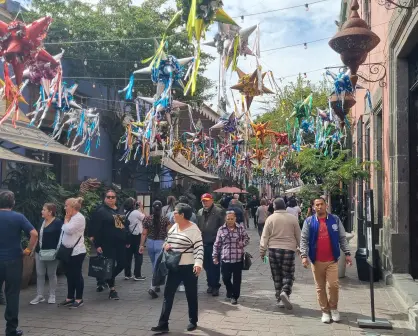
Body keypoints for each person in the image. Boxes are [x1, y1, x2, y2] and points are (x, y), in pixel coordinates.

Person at [151, 203, 203, 333]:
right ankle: (163, 324)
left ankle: (193, 320)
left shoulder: (194, 229)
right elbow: (167, 240)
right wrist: (166, 245)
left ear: (182, 215)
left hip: (189, 267)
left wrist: (198, 264)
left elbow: (199, 248)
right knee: (168, 295)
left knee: (191, 295)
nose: (172, 215)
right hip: (174, 266)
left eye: (175, 212)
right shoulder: (174, 226)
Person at [300, 197, 352, 323]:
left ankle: (333, 308)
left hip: (332, 260)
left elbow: (342, 237)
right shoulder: (308, 222)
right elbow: (304, 239)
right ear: (313, 207)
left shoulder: (335, 219)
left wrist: (347, 253)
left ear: (326, 205)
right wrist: (304, 256)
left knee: (333, 285)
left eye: (321, 204)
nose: (319, 207)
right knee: (320, 287)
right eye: (316, 205)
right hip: (316, 261)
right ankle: (325, 311)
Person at [0, 190, 38, 336]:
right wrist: (28, 250)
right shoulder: (18, 217)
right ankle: (11, 330)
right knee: (12, 295)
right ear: (13, 203)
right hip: (14, 260)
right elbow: (34, 233)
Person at [260, 198, 301, 310]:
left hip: (273, 249)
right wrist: (301, 249)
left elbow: (264, 236)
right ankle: (285, 292)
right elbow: (298, 235)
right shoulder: (292, 219)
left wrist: (262, 251)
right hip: (289, 249)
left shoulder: (270, 219)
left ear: (274, 206)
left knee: (276, 274)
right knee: (288, 273)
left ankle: (279, 299)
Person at [93, 190, 127, 300]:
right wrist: (97, 245)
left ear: (116, 199)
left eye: (113, 197)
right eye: (108, 197)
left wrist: (126, 240)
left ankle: (109, 277)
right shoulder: (101, 211)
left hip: (120, 243)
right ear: (105, 198)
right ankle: (112, 290)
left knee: (122, 263)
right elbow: (96, 229)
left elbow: (121, 227)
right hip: (107, 244)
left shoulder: (118, 210)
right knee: (110, 265)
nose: (111, 199)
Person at [213, 210, 249, 305]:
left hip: (238, 258)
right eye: (228, 219)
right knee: (225, 278)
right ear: (225, 218)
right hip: (226, 258)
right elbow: (217, 244)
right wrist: (215, 256)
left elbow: (247, 238)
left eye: (232, 219)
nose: (230, 220)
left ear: (235, 219)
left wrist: (242, 243)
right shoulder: (221, 229)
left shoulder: (240, 228)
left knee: (237, 279)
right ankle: (229, 290)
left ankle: (234, 296)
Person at [30, 203, 63, 305]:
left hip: (52, 253)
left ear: (50, 212)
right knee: (40, 274)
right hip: (40, 252)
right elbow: (37, 236)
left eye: (44, 210)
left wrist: (59, 251)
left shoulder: (58, 223)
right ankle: (40, 295)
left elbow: (62, 238)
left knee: (51, 274)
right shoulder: (41, 221)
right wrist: (33, 249)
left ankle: (52, 295)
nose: (42, 211)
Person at [140, 200, 171, 298]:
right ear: (161, 208)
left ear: (152, 208)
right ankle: (152, 287)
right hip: (160, 243)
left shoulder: (147, 219)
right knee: (157, 266)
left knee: (154, 264)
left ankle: (156, 284)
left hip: (150, 243)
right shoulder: (165, 219)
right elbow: (169, 232)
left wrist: (141, 245)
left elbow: (144, 233)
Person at [59, 197, 86, 309]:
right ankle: (70, 297)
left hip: (77, 251)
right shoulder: (71, 217)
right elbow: (63, 233)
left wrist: (66, 219)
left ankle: (79, 298)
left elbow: (68, 230)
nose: (65, 207)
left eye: (66, 205)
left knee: (76, 275)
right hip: (67, 251)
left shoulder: (78, 218)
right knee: (69, 275)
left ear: (72, 207)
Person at [196, 193, 224, 297]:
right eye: (203, 201)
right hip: (203, 243)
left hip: (214, 243)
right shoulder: (200, 212)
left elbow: (222, 227)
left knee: (215, 266)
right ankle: (210, 284)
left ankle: (215, 286)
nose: (205, 202)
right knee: (206, 266)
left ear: (212, 200)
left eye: (207, 200)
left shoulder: (218, 212)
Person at [124, 198, 146, 281]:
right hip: (137, 237)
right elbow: (146, 218)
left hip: (128, 237)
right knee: (138, 256)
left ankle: (127, 274)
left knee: (128, 257)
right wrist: (141, 207)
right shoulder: (136, 213)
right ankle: (137, 275)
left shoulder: (125, 212)